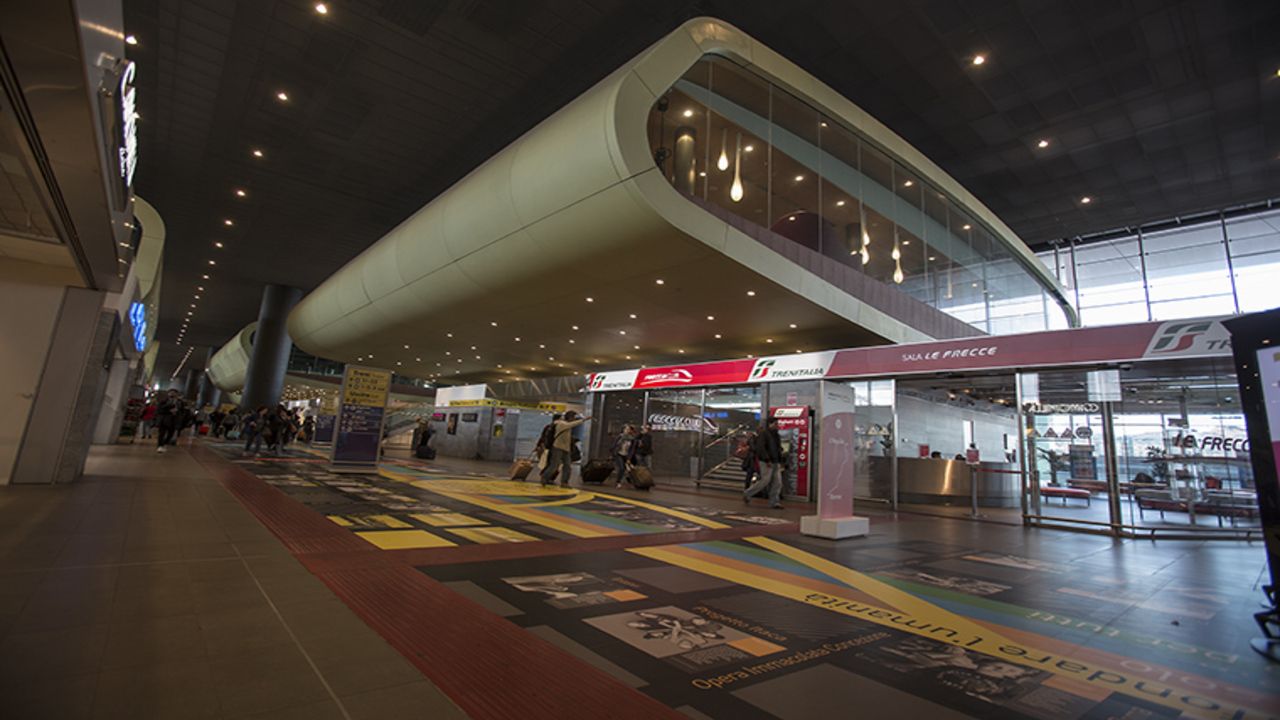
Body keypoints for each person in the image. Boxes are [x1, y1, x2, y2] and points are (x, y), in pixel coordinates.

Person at [540, 410, 590, 488]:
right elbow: (572, 425)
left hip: (566, 449)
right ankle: (544, 477)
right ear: (569, 417)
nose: (574, 419)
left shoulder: (565, 424)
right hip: (557, 447)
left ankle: (564, 482)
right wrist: (584, 419)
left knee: (567, 466)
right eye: (573, 417)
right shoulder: (561, 424)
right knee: (554, 466)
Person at [744, 417, 784, 508]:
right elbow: (761, 448)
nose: (777, 425)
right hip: (766, 462)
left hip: (776, 461)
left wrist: (780, 459)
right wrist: (767, 459)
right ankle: (748, 493)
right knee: (765, 480)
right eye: (776, 424)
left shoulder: (776, 435)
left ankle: (774, 502)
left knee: (778, 483)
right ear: (770, 424)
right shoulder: (764, 434)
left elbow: (777, 448)